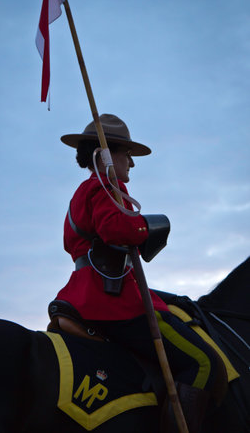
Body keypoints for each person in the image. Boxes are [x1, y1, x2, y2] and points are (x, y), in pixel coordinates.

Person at [49, 114, 227, 433]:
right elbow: (116, 229)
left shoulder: (83, 192)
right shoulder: (105, 187)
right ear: (105, 154)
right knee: (205, 363)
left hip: (83, 293)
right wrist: (151, 225)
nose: (132, 163)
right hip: (111, 301)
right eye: (126, 154)